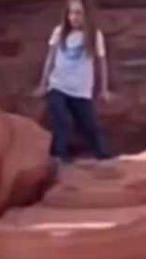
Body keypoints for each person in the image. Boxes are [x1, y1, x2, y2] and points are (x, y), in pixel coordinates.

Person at [34, 0, 113, 163]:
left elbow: (101, 63)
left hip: (81, 89)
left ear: (86, 15)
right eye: (71, 13)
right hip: (58, 85)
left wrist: (104, 89)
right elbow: (50, 58)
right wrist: (43, 83)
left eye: (78, 13)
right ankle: (61, 158)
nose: (74, 17)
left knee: (89, 125)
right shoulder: (59, 32)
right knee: (61, 120)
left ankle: (103, 156)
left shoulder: (93, 35)